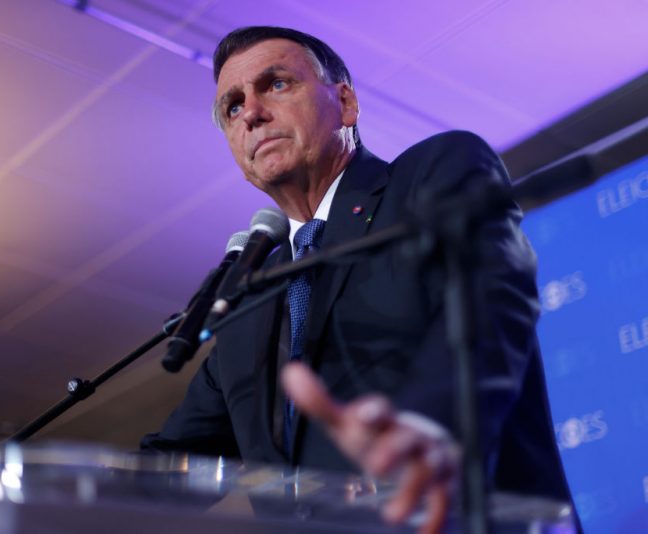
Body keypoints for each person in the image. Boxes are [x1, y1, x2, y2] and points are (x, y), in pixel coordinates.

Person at [142, 26, 571, 533]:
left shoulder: (430, 175)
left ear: (345, 102)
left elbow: (490, 296)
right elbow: (172, 463)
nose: (252, 113)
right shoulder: (246, 310)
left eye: (275, 84)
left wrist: (430, 424)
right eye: (233, 107)